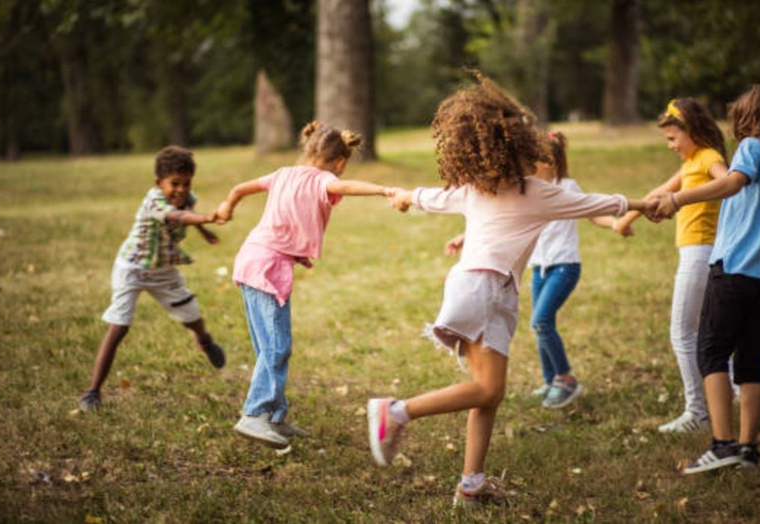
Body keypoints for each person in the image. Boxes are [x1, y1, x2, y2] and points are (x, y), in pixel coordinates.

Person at [366, 71, 657, 508]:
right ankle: (396, 411)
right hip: (486, 288)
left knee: (489, 392)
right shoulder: (537, 193)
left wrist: (406, 196)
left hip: (479, 287)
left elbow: (429, 197)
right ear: (518, 145)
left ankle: (471, 483)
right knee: (487, 390)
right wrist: (643, 205)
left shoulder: (477, 189)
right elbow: (597, 202)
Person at [651, 85, 760, 474]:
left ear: (750, 118)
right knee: (751, 360)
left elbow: (732, 183)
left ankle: (722, 445)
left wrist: (678, 199)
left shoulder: (752, 148)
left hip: (737, 267)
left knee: (711, 351)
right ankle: (748, 449)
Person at [216, 121, 396, 450]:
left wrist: (228, 205)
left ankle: (274, 417)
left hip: (252, 260)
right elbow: (349, 187)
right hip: (267, 267)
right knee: (276, 348)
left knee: (267, 347)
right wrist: (384, 190)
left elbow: (241, 188)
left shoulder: (283, 173)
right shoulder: (324, 179)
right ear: (340, 162)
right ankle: (254, 414)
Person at [445, 130, 625, 410]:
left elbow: (591, 212)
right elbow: (504, 221)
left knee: (540, 321)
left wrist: (614, 223)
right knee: (541, 324)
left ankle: (566, 379)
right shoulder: (525, 191)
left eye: (532, 160)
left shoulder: (566, 187)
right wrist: (464, 237)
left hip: (564, 266)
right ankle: (550, 380)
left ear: (549, 162)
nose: (524, 166)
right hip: (539, 268)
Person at [80, 145, 225, 410]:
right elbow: (176, 216)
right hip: (132, 269)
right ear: (159, 183)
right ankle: (92, 391)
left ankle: (205, 340)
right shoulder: (154, 201)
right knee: (119, 326)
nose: (181, 190)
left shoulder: (188, 198)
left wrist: (204, 231)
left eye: (186, 183)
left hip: (164, 270)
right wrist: (207, 218)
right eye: (174, 184)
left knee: (192, 316)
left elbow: (186, 210)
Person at [615, 98, 729, 433]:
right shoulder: (692, 161)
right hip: (696, 252)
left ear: (691, 131)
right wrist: (627, 219)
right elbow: (659, 191)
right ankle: (730, 390)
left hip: (700, 253)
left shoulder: (709, 158)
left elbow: (727, 182)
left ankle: (698, 411)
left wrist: (682, 200)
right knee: (705, 333)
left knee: (682, 333)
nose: (670, 146)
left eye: (672, 138)